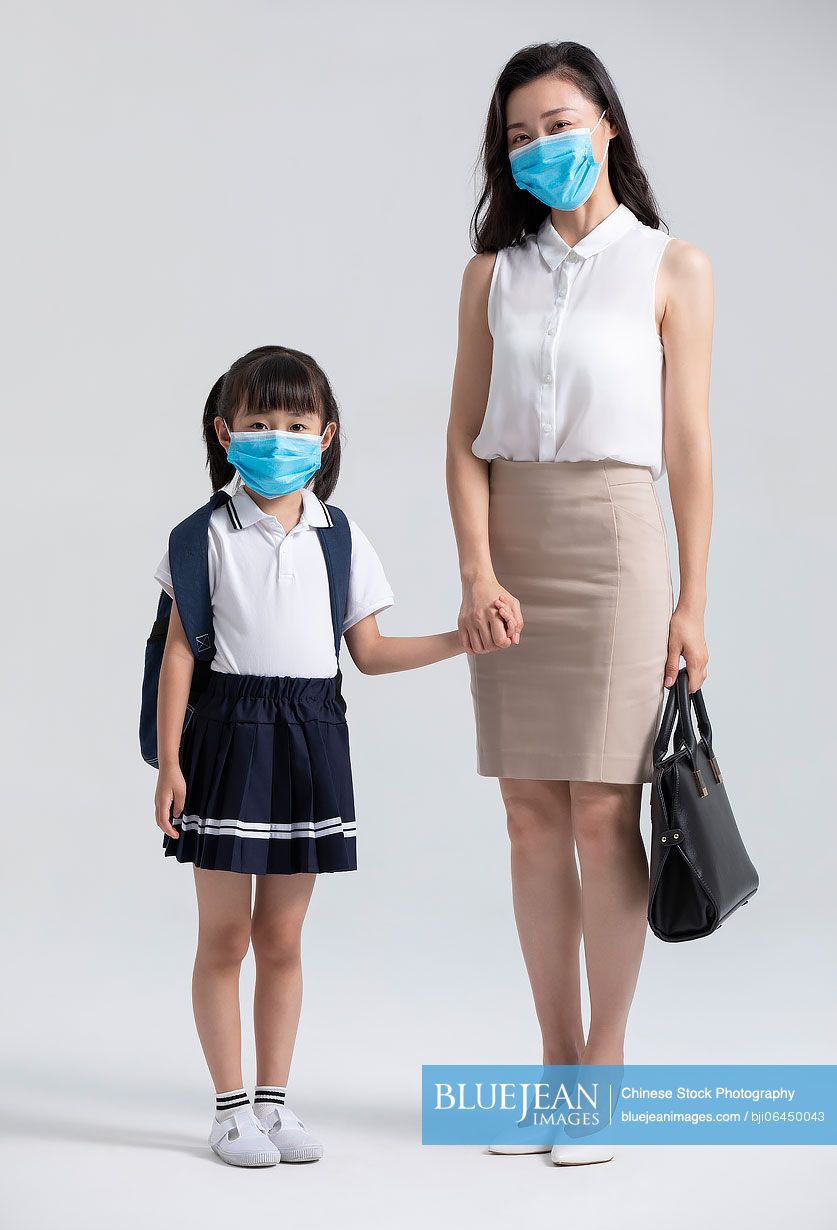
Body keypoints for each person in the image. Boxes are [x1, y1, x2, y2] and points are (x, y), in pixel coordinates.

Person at [445, 41, 713, 1165]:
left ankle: (605, 1069)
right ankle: (555, 1071)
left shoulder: (671, 265)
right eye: (517, 136)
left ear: (606, 121)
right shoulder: (490, 272)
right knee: (527, 819)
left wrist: (693, 602)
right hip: (511, 542)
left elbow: (689, 448)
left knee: (604, 816)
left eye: (558, 123)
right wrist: (475, 567)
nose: (539, 148)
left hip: (615, 544)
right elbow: (462, 439)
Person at [153, 344, 513, 1168]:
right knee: (224, 938)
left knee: (281, 937)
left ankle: (274, 1104)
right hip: (227, 738)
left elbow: (371, 651)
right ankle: (228, 1110)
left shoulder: (339, 538)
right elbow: (179, 654)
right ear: (224, 431)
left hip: (310, 738)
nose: (276, 437)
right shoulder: (200, 535)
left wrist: (461, 638)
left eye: (295, 423)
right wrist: (171, 764)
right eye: (257, 423)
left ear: (325, 436)